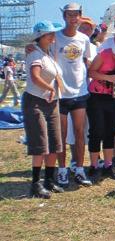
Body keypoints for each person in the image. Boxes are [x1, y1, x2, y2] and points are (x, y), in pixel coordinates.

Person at [23, 21, 64, 198]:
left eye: (53, 34)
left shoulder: (48, 54)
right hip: (36, 102)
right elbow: (35, 77)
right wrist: (50, 88)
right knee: (40, 143)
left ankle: (49, 180)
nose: (53, 37)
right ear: (40, 36)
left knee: (54, 142)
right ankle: (35, 184)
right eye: (49, 34)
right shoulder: (35, 54)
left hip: (51, 102)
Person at [53, 2, 92, 187]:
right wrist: (30, 47)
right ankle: (62, 170)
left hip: (80, 91)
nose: (73, 18)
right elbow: (40, 48)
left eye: (76, 14)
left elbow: (87, 62)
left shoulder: (84, 39)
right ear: (64, 16)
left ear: (80, 16)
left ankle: (79, 168)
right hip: (61, 92)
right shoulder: (55, 37)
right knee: (61, 134)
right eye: (69, 14)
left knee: (79, 132)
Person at [86, 28, 115, 181]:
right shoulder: (105, 54)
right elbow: (91, 72)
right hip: (97, 96)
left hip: (113, 98)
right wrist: (111, 78)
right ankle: (94, 165)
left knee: (110, 131)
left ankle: (108, 165)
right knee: (96, 130)